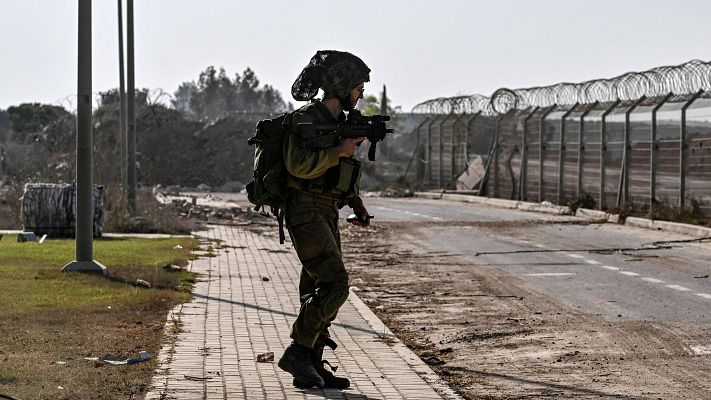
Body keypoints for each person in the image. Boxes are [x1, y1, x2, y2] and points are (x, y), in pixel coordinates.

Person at [277, 50, 372, 389]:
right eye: (358, 87)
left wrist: (356, 203)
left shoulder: (336, 125)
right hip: (305, 211)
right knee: (335, 284)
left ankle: (312, 364)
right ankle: (298, 351)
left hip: (326, 209)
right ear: (343, 85)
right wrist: (339, 151)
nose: (361, 94)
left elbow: (336, 174)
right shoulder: (305, 120)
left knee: (315, 289)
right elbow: (298, 167)